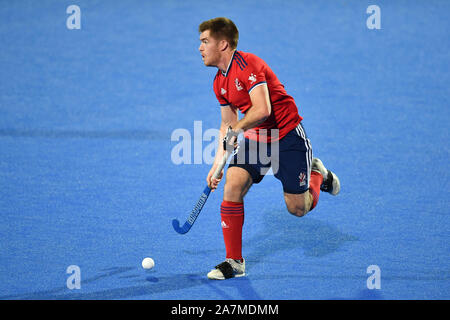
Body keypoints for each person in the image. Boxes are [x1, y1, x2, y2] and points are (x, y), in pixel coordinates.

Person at [198, 17, 340, 280]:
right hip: (256, 140)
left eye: (205, 41)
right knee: (232, 184)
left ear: (223, 44)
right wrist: (216, 165)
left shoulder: (249, 65)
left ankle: (319, 175)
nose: (200, 48)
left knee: (297, 209)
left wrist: (238, 129)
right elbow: (227, 127)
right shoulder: (219, 82)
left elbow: (263, 110)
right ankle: (235, 262)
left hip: (286, 137)